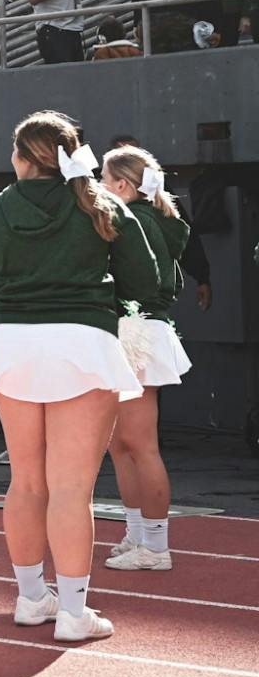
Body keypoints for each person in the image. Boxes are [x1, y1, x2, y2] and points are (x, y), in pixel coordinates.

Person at [0, 111, 160, 642]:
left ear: (23, 158)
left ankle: (31, 599)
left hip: (15, 344)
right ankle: (73, 612)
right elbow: (147, 279)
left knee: (25, 481)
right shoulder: (102, 204)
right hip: (84, 344)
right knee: (72, 488)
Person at [99, 144, 193, 572]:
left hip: (137, 331)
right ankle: (136, 534)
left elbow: (145, 284)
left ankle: (156, 546)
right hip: (131, 330)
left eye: (103, 180)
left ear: (122, 185)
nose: (98, 187)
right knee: (120, 445)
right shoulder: (146, 216)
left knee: (140, 444)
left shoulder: (139, 220)